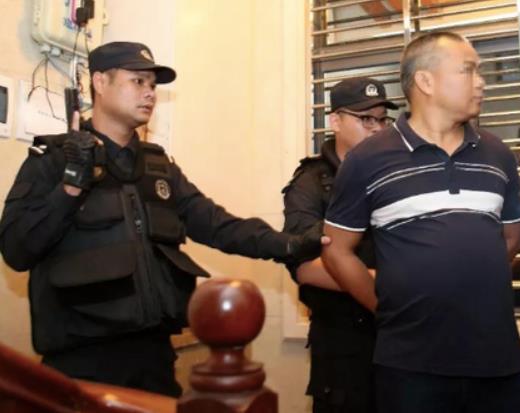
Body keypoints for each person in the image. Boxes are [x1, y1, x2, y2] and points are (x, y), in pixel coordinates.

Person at [0, 41, 323, 397]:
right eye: (137, 81)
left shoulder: (159, 167)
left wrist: (290, 244)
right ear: (100, 82)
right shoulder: (52, 160)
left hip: (154, 359)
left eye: (153, 85)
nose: (150, 93)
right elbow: (16, 249)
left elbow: (217, 225)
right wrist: (71, 186)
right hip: (81, 364)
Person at [321, 31, 520, 413]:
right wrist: (386, 308)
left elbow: (510, 240)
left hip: (499, 364)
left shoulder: (497, 154)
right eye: (468, 70)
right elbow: (336, 251)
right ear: (425, 81)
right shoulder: (367, 160)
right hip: (410, 368)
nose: (481, 82)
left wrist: (469, 282)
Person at [282, 77, 397, 412]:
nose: (377, 129)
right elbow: (305, 267)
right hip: (343, 344)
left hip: (400, 340)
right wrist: (389, 287)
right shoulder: (311, 183)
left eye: (382, 120)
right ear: (335, 121)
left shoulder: (397, 176)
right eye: (366, 119)